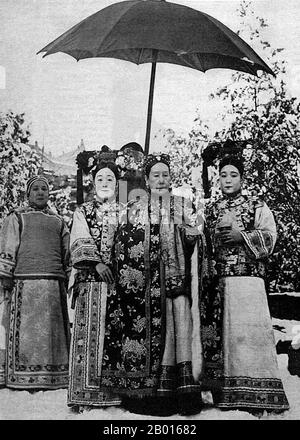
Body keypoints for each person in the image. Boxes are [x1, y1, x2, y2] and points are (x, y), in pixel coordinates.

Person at [96, 153, 204, 416]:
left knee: (180, 333)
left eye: (165, 174)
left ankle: (185, 395)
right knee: (159, 338)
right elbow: (122, 241)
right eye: (155, 175)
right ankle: (154, 397)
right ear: (146, 179)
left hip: (177, 281)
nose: (161, 179)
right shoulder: (133, 207)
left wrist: (193, 236)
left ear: (171, 178)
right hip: (146, 287)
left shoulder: (183, 204)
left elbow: (200, 235)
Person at [200, 154, 289, 415]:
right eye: (223, 175)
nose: (227, 180)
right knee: (227, 339)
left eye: (233, 175)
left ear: (243, 178)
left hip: (249, 283)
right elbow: (205, 245)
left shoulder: (257, 205)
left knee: (251, 336)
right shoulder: (212, 209)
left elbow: (270, 238)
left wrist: (243, 236)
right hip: (220, 284)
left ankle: (261, 393)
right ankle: (227, 393)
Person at [0, 175, 70, 390]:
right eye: (36, 189)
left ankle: (54, 377)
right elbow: (8, 245)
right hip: (25, 283)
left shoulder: (59, 221)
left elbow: (66, 253)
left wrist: (69, 277)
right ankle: (19, 376)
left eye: (44, 189)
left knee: (51, 333)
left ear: (49, 194)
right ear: (28, 193)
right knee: (27, 333)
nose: (40, 192)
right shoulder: (16, 217)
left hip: (53, 284)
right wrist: (6, 274)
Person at [67, 160, 122, 411]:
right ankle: (86, 394)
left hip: (119, 285)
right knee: (89, 335)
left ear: (117, 183)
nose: (105, 184)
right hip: (90, 282)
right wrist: (97, 264)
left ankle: (116, 395)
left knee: (114, 338)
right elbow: (79, 239)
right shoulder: (83, 211)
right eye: (100, 179)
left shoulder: (127, 212)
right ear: (93, 182)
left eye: (110, 179)